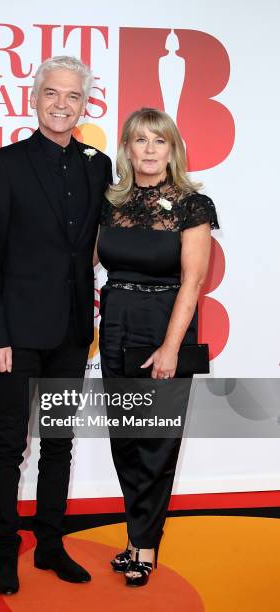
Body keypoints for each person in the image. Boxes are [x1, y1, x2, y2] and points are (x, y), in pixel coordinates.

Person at [0, 55, 112, 594]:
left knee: (59, 442)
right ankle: (4, 551)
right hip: (18, 334)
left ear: (84, 104)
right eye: (52, 93)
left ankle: (51, 545)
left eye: (73, 96)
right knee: (11, 443)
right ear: (35, 99)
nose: (62, 104)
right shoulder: (4, 163)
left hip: (73, 333)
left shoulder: (98, 166)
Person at [96, 107, 219, 587]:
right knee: (125, 438)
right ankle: (134, 538)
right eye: (139, 140)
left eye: (158, 141)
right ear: (126, 148)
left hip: (166, 323)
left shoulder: (193, 204)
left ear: (173, 148)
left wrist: (170, 348)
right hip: (117, 323)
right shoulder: (109, 202)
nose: (149, 150)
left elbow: (192, 282)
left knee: (158, 441)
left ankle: (145, 545)